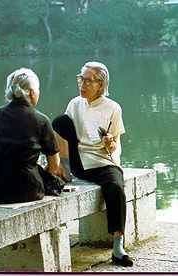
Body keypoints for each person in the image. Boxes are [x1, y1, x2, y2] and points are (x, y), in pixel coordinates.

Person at [0, 67, 63, 272]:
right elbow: (55, 166)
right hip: (26, 188)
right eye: (37, 90)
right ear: (31, 92)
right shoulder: (41, 120)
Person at [52, 61, 133, 267]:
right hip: (78, 159)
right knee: (60, 121)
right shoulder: (75, 103)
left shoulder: (113, 108)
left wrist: (110, 143)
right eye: (81, 79)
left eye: (88, 81)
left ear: (101, 84)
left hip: (104, 161)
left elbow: (115, 146)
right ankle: (61, 167)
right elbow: (63, 132)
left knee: (115, 187)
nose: (83, 84)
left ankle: (118, 244)